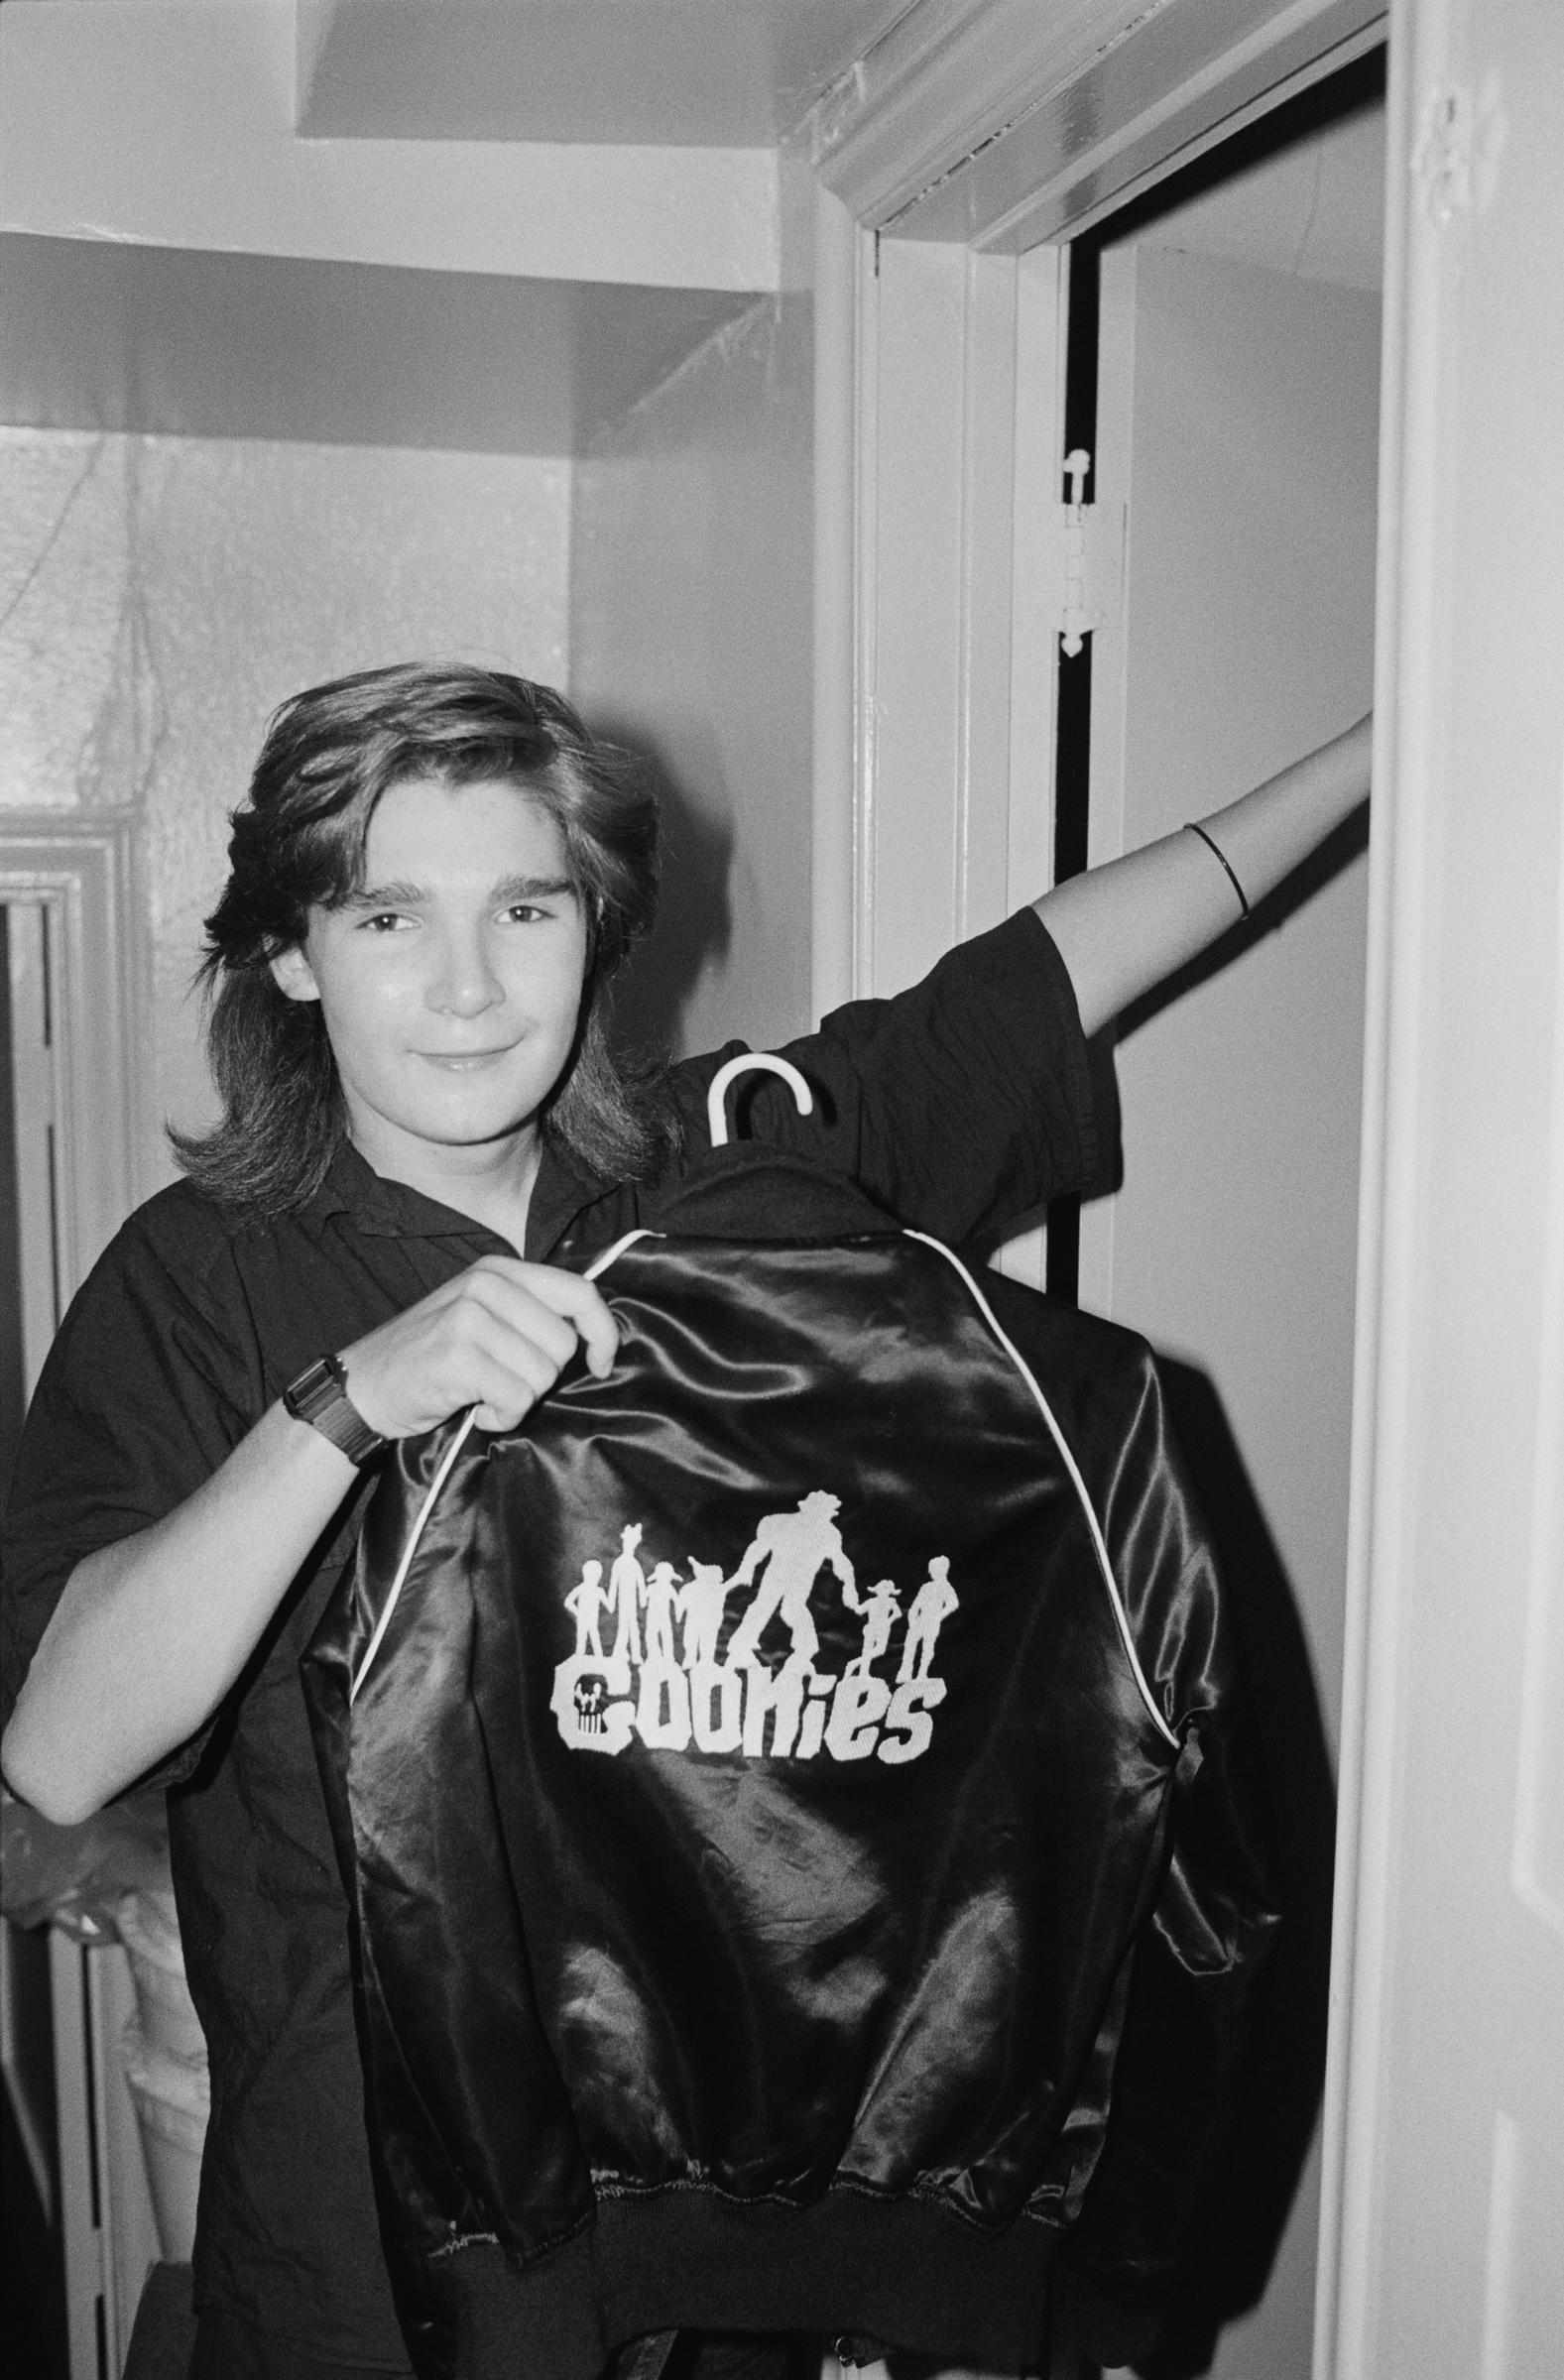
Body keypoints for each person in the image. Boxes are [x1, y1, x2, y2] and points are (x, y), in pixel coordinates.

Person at [0, 663, 1371, 2380]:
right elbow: (61, 1749)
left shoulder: (713, 1180)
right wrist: (350, 1404)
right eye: (387, 918)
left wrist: (1406, 731)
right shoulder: (198, 1278)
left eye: (524, 908)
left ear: (597, 927)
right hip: (361, 2263)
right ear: (291, 954)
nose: (467, 987)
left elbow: (1038, 978)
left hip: (717, 2263)